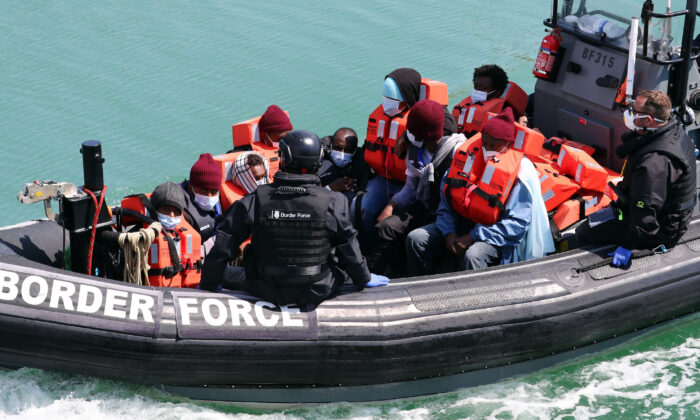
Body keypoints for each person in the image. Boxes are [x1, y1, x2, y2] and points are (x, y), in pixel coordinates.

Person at [201, 130, 389, 305]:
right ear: (317, 163)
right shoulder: (334, 201)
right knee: (340, 267)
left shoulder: (256, 199)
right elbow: (348, 247)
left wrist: (209, 285)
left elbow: (224, 244)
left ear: (284, 160)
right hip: (316, 289)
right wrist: (364, 278)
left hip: (264, 288)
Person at [406, 108, 553, 275]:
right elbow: (445, 203)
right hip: (458, 225)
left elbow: (516, 225)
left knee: (473, 256)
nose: (486, 149)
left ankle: (472, 298)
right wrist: (449, 233)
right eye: (484, 143)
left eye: (493, 145)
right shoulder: (466, 157)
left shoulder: (519, 175)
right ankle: (421, 284)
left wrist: (472, 237)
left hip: (492, 235)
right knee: (416, 238)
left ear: (507, 144)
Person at [575, 90, 697, 266]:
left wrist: (628, 245)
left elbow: (646, 214)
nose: (629, 113)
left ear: (649, 120)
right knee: (598, 218)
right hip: (653, 205)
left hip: (661, 227)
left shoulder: (652, 164)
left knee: (584, 232)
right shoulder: (672, 128)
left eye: (635, 111)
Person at [360, 68, 457, 251]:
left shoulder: (429, 118)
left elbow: (444, 127)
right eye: (386, 97)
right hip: (389, 179)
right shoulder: (389, 120)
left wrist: (406, 134)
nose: (388, 103)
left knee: (395, 227)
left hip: (420, 192)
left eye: (393, 99)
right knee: (364, 210)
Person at [367, 99, 466, 275]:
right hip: (424, 205)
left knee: (415, 238)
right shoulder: (414, 149)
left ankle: (416, 278)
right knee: (385, 228)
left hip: (448, 213)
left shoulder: (455, 152)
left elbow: (451, 198)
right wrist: (392, 205)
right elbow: (411, 187)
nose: (408, 133)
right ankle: (378, 274)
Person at [452, 64, 529, 135]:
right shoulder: (467, 105)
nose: (477, 91)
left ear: (497, 92)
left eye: (484, 89)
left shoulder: (506, 115)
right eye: (476, 86)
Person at [319, 127, 371, 207]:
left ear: (355, 150)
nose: (341, 154)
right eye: (338, 148)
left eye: (348, 150)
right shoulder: (319, 160)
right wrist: (330, 188)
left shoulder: (361, 161)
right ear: (331, 145)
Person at [180, 153, 223, 247]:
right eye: (204, 190)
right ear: (191, 187)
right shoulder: (181, 208)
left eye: (214, 191)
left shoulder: (221, 200)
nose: (209, 195)